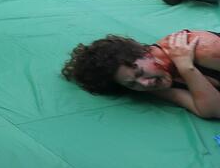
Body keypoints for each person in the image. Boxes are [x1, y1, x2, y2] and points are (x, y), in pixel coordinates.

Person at [62, 30, 220, 119]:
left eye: (140, 72)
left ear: (146, 53)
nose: (145, 84)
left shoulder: (205, 49)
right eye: (132, 84)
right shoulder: (152, 82)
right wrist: (186, 68)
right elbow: (212, 110)